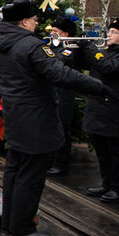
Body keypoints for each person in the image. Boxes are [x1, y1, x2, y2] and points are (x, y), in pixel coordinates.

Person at [0, 0, 111, 236]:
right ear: (24, 21)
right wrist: (97, 86)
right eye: (35, 19)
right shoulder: (31, 45)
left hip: (15, 115)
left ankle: (10, 223)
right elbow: (59, 73)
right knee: (31, 175)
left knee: (14, 170)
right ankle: (22, 228)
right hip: (36, 118)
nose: (38, 23)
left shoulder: (3, 43)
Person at [79, 18, 119, 203]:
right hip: (98, 107)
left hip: (113, 107)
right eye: (110, 31)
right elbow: (89, 64)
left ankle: (118, 188)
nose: (109, 34)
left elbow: (108, 68)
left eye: (114, 32)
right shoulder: (107, 51)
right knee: (102, 149)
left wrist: (91, 49)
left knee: (116, 151)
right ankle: (106, 183)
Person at [45, 17, 81, 176]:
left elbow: (61, 61)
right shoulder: (50, 46)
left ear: (65, 34)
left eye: (55, 31)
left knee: (62, 127)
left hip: (64, 93)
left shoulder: (70, 48)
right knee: (51, 126)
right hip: (51, 91)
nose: (52, 33)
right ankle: (50, 159)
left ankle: (61, 163)